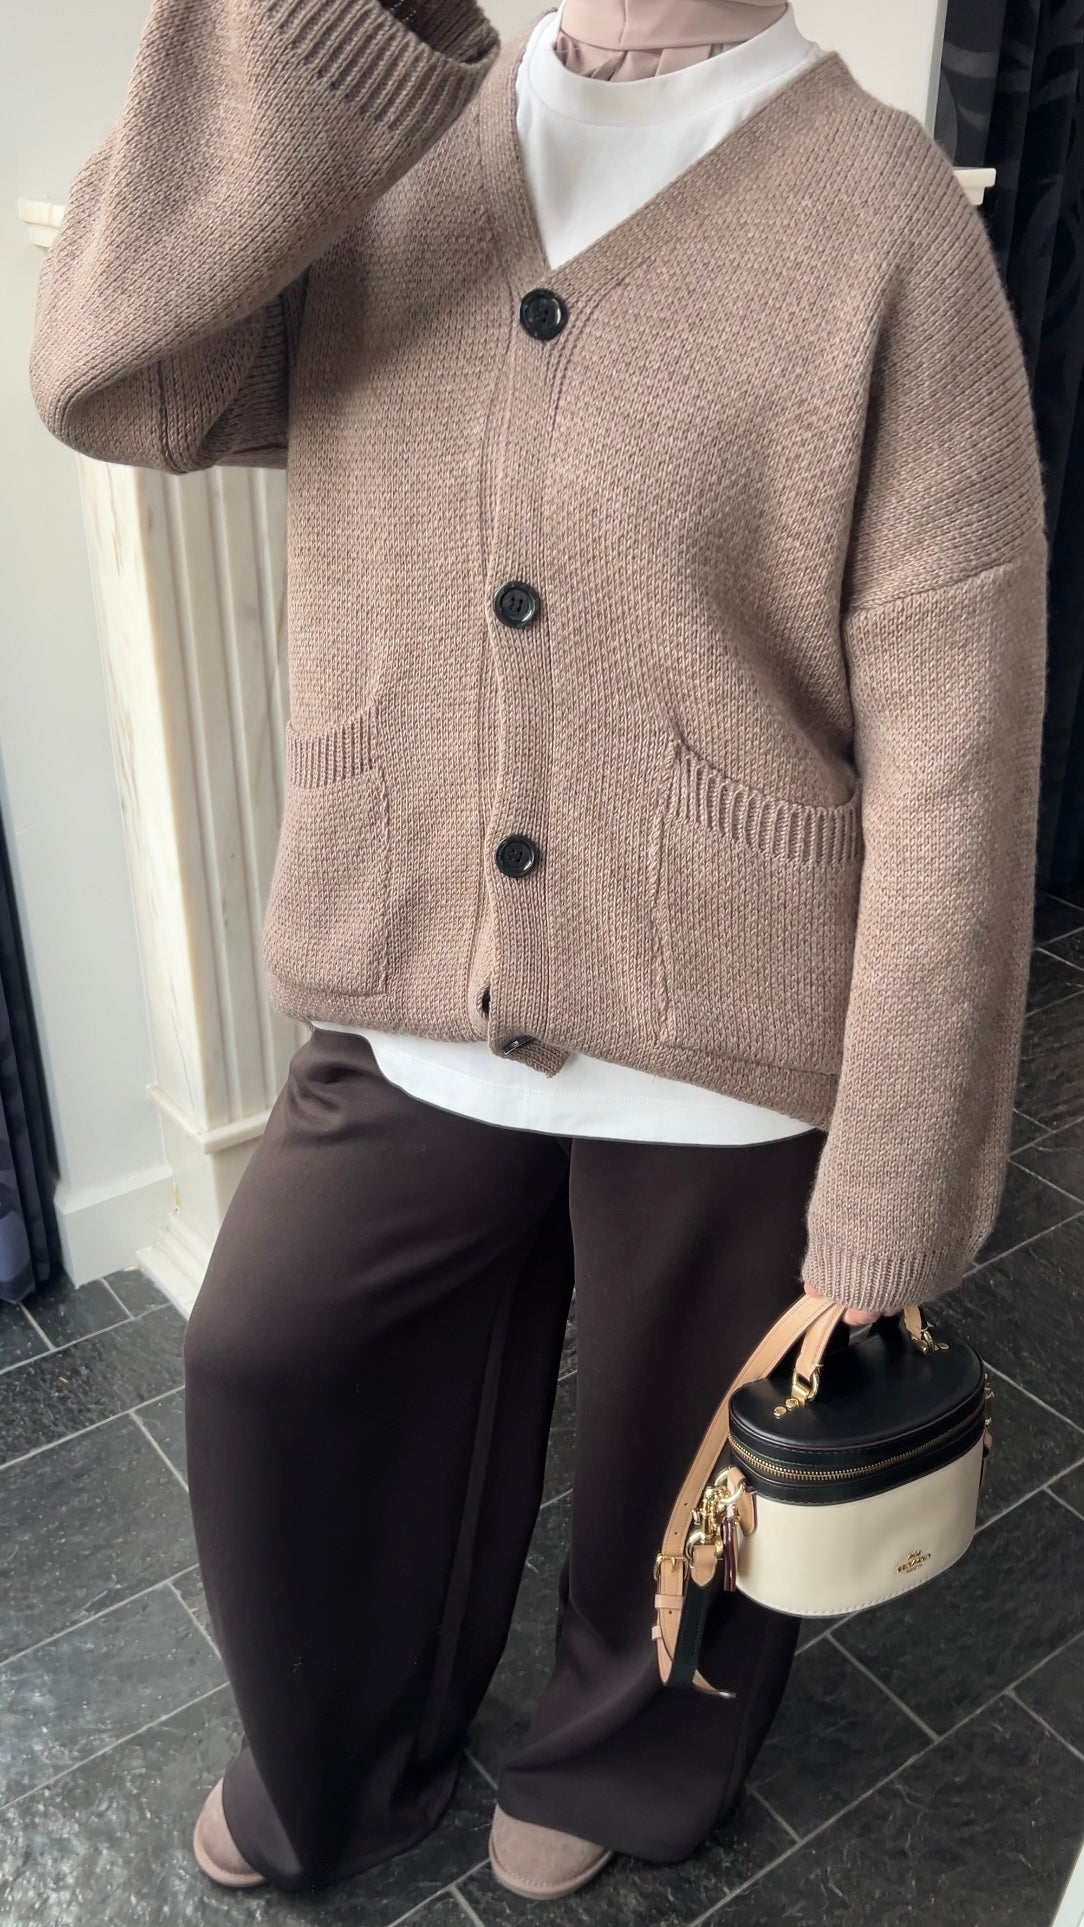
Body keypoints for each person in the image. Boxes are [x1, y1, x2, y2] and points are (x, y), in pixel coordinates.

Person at [27, 0, 1048, 1902]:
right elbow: (115, 379)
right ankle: (343, 1745)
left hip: (730, 1017)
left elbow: (959, 760)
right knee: (272, 1367)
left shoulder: (884, 219)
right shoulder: (383, 135)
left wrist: (891, 1201)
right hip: (413, 969)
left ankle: (623, 1756)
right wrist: (324, 38)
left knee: (688, 1461)